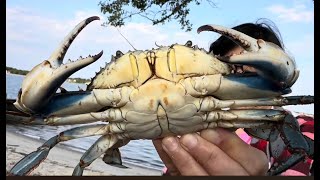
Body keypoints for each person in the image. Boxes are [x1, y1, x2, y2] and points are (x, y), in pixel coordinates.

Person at [152, 19, 314, 176]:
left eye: (254, 72)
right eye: (233, 69)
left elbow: (303, 155)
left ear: (278, 79)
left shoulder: (303, 128)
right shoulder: (194, 133)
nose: (242, 78)